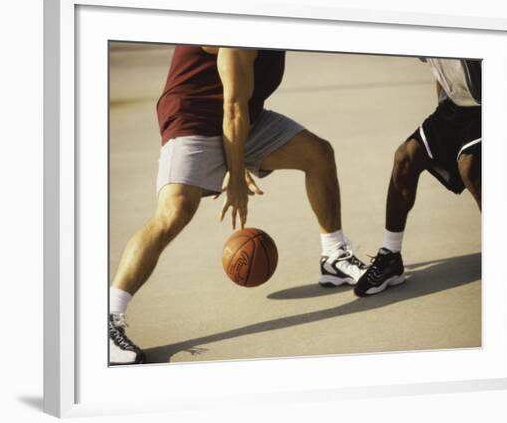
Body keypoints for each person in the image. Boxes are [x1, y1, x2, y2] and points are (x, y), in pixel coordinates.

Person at [108, 46, 367, 365]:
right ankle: (106, 318)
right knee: (172, 213)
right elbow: (232, 108)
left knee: (318, 154)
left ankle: (334, 257)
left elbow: (240, 108)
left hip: (246, 120)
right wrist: (234, 176)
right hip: (194, 119)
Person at [354, 58, 481, 297]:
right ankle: (390, 257)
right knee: (405, 158)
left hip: (493, 106)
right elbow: (441, 72)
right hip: (455, 108)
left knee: (470, 168)